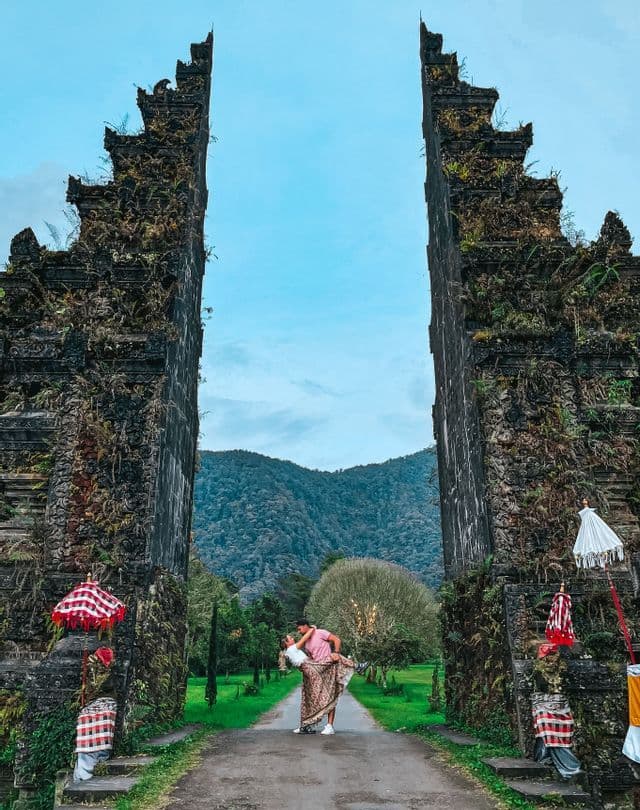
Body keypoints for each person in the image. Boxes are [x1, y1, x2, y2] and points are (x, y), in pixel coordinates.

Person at [296, 618, 354, 735]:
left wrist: (336, 652)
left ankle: (329, 726)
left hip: (330, 667)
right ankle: (308, 723)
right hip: (320, 670)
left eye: (299, 628)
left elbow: (336, 639)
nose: (299, 631)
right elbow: (312, 657)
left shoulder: (320, 632)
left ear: (306, 626)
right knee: (317, 697)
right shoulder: (306, 643)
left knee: (330, 695)